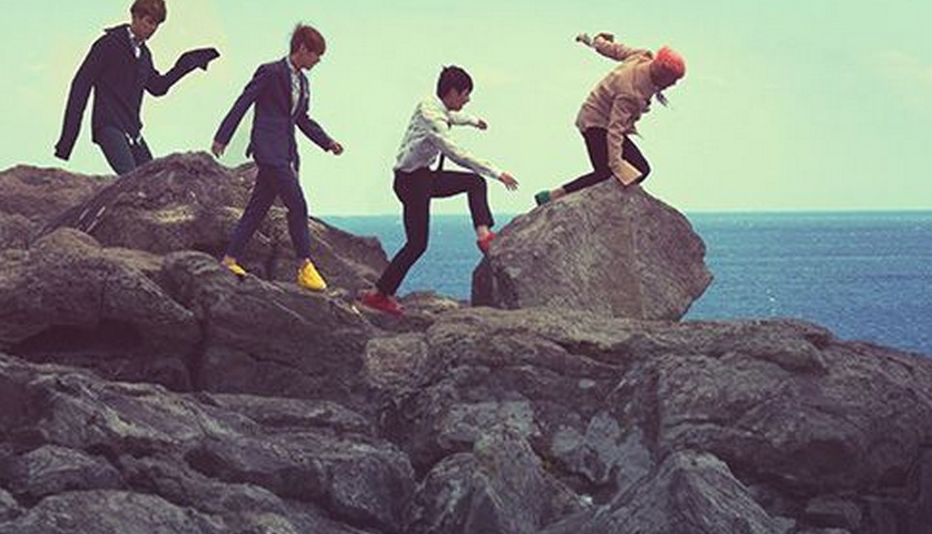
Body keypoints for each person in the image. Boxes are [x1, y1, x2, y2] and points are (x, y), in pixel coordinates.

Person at [359, 65, 519, 318]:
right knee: (417, 244)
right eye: (465, 94)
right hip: (410, 182)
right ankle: (379, 295)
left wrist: (475, 121)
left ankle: (484, 235)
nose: (467, 99)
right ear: (453, 92)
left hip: (424, 176)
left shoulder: (434, 106)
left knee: (475, 183)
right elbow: (456, 154)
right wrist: (498, 172)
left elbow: (452, 116)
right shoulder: (433, 120)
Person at [212, 22, 344, 293]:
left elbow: (301, 119)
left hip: (285, 152)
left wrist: (327, 141)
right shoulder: (270, 72)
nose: (318, 60)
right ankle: (304, 266)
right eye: (316, 54)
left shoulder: (304, 82)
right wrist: (222, 136)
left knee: (258, 208)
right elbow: (243, 102)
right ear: (303, 49)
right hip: (268, 150)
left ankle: (229, 258)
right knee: (298, 205)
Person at [55, 0, 219, 174]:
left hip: (133, 131)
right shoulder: (108, 44)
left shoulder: (145, 55)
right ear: (135, 16)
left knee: (154, 181)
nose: (152, 29)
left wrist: (187, 63)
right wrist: (66, 142)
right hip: (108, 126)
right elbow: (80, 87)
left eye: (156, 25)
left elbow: (158, 87)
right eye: (149, 22)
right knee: (131, 181)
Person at [535, 32, 686, 204]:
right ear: (662, 74)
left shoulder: (643, 57)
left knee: (641, 169)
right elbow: (615, 130)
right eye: (673, 79)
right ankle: (553, 196)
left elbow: (614, 50)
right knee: (607, 173)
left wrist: (594, 41)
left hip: (601, 120)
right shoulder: (631, 91)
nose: (674, 84)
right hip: (595, 123)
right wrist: (617, 165)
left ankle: (563, 196)